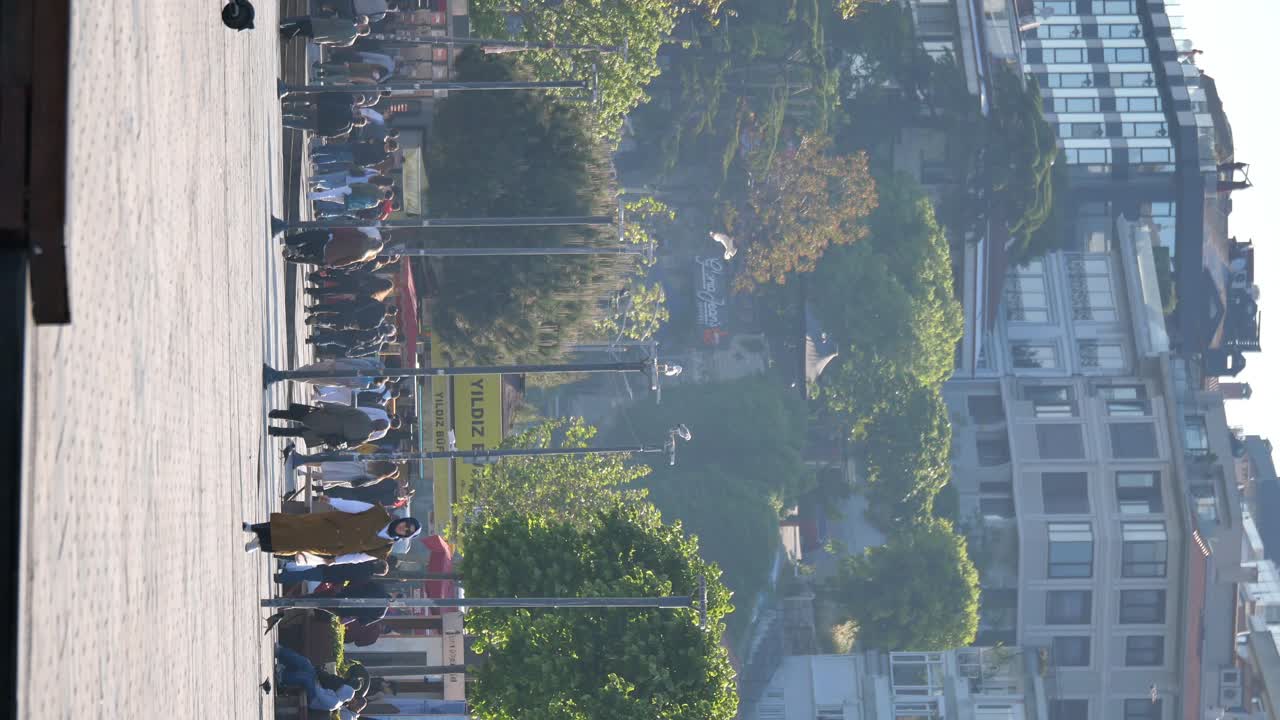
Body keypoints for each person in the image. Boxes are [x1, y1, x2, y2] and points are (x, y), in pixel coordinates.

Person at [242, 500, 422, 560]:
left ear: (405, 535)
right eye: (406, 524)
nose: (403, 528)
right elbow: (354, 506)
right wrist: (333, 501)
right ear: (403, 520)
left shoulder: (384, 548)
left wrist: (335, 561)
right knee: (291, 525)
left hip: (329, 544)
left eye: (407, 531)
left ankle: (260, 544)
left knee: (292, 544)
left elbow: (359, 558)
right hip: (328, 524)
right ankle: (254, 528)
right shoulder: (379, 513)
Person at [275, 644, 359, 712]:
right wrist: (316, 677)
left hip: (313, 699)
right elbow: (323, 689)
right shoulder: (337, 694)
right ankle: (280, 652)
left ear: (344, 694)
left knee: (307, 678)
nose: (340, 687)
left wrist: (316, 680)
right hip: (317, 689)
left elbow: (320, 695)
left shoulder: (335, 703)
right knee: (306, 662)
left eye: (342, 688)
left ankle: (282, 677)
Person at [268, 403, 389, 448]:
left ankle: (275, 414)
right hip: (326, 435)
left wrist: (326, 407)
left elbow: (343, 410)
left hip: (327, 419)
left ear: (376, 420)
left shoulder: (362, 416)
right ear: (378, 430)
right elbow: (348, 445)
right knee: (299, 432)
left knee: (299, 416)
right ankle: (274, 431)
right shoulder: (365, 438)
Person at [275, 557, 390, 585]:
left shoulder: (366, 560)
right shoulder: (365, 578)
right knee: (305, 576)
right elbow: (350, 584)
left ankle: (286, 564)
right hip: (331, 576)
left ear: (377, 563)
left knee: (308, 561)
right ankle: (282, 578)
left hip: (333, 564)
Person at [279, 14, 371, 46]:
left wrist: (334, 17)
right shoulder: (351, 41)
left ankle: (286, 34)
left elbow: (335, 22)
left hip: (320, 25)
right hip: (319, 36)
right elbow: (335, 45)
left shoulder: (350, 25)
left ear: (362, 27)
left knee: (301, 24)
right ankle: (286, 34)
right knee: (301, 32)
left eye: (362, 25)